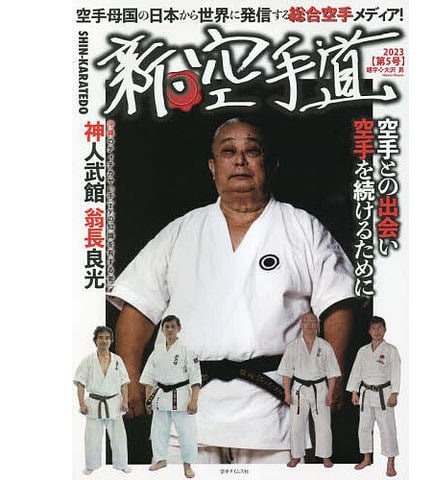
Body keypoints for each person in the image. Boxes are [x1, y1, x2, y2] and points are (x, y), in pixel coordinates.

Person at [107, 117, 356, 463]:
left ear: (271, 164)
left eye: (252, 151)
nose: (240, 161)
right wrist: (131, 377)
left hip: (275, 409)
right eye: (228, 152)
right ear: (213, 167)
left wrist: (334, 375)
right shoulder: (182, 231)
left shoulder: (302, 228)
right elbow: (138, 306)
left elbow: (338, 304)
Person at [140, 315, 201, 478]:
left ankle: (187, 465)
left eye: (173, 326)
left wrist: (194, 400)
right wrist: (148, 400)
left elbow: (195, 378)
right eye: (166, 326)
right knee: (158, 432)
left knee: (186, 433)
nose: (169, 330)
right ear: (162, 329)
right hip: (160, 396)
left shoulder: (187, 351)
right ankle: (160, 460)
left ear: (179, 329)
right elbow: (148, 378)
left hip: (181, 396)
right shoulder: (157, 351)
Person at [277, 312, 341, 468]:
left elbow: (332, 373)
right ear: (301, 325)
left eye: (313, 322)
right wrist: (287, 392)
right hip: (299, 390)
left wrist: (330, 393)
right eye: (306, 322)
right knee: (297, 425)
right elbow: (286, 372)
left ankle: (326, 457)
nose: (310, 325)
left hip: (320, 388)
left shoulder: (325, 346)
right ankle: (296, 456)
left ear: (317, 325)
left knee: (323, 424)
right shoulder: (293, 346)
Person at [346, 316, 401, 477]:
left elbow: (396, 373)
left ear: (385, 329)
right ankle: (366, 458)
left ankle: (390, 462)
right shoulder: (363, 351)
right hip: (366, 394)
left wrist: (395, 393)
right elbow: (356, 371)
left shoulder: (391, 350)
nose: (376, 331)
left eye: (379, 328)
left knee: (387, 429)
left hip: (384, 394)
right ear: (369, 331)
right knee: (364, 428)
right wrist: (354, 391)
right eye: (373, 328)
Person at [73, 326, 131, 475]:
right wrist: (81, 403)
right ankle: (91, 465)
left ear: (111, 341)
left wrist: (125, 401)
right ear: (95, 340)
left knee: (119, 437)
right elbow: (80, 383)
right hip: (94, 404)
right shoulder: (88, 361)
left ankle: (122, 464)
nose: (104, 341)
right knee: (92, 438)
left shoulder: (117, 360)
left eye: (107, 338)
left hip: (114, 403)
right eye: (100, 338)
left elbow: (124, 383)